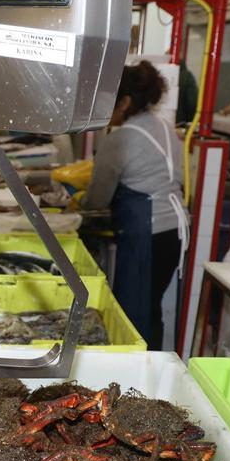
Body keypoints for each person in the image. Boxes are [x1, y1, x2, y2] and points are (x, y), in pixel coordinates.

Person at [81, 61, 185, 351]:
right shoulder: (165, 128)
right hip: (175, 229)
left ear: (125, 102)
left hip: (146, 231)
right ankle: (152, 365)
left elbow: (97, 198)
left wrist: (77, 207)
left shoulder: (121, 139)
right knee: (151, 307)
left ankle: (135, 372)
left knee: (133, 313)